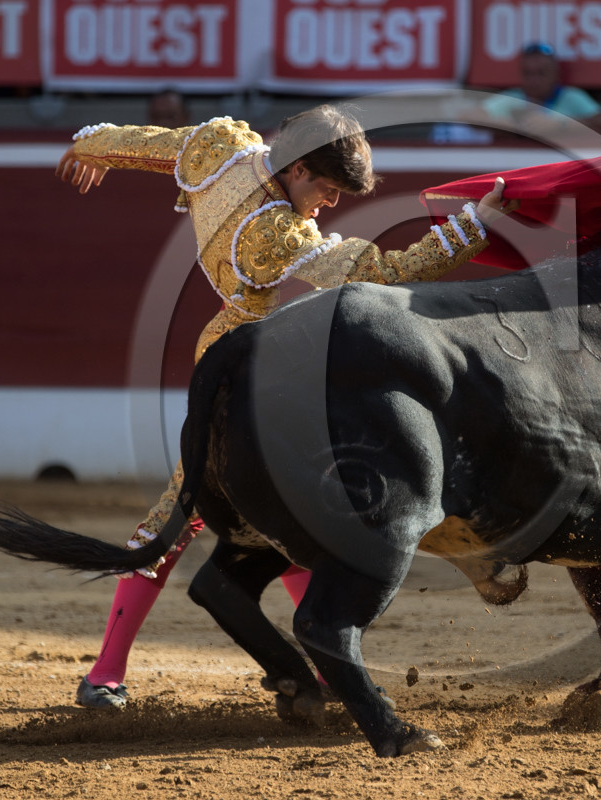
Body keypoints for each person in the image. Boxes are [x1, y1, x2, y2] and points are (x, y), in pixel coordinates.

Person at [58, 104, 516, 709]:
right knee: (248, 510)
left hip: (226, 351)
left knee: (239, 511)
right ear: (298, 168)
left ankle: (114, 672)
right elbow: (386, 271)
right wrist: (471, 228)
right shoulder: (275, 235)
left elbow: (146, 141)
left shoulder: (220, 147)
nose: (328, 204)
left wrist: (90, 145)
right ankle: (107, 672)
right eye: (325, 189)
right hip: (269, 371)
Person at [465, 41, 601, 137]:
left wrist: (559, 124)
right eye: (528, 73)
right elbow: (471, 116)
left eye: (541, 73)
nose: (534, 80)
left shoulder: (571, 96)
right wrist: (513, 125)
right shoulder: (514, 97)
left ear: (556, 74)